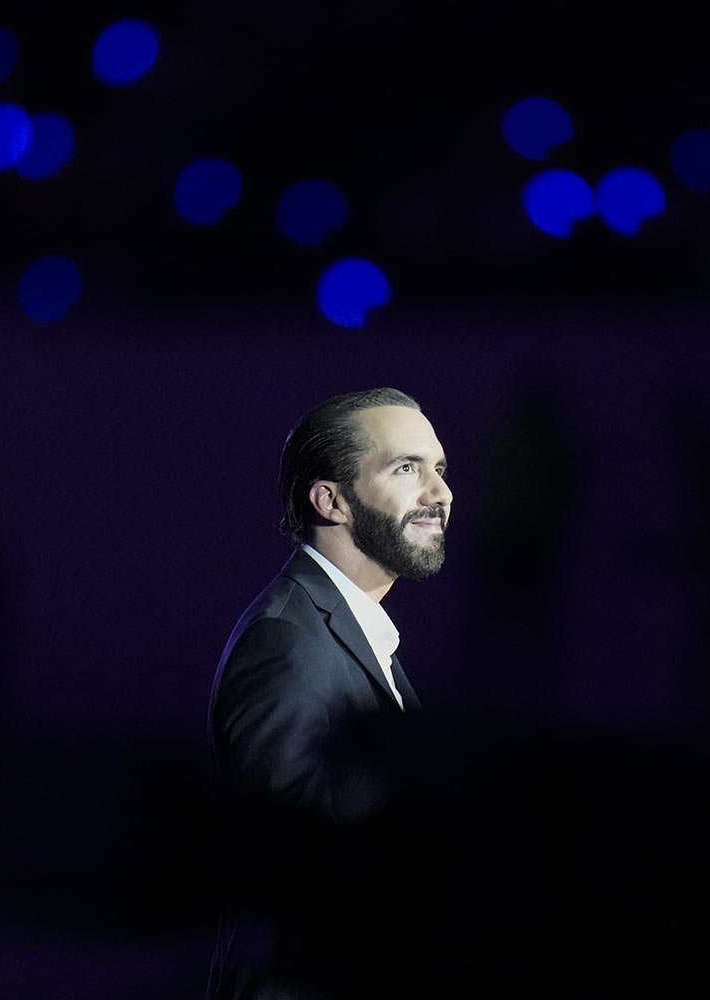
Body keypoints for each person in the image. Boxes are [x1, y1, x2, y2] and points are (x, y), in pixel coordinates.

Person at [207, 387, 452, 999]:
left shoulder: (347, 633)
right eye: (406, 469)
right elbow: (293, 891)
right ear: (331, 500)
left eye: (440, 470)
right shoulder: (287, 647)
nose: (440, 493)